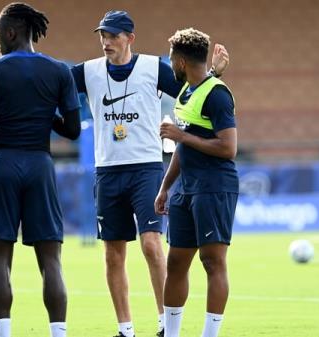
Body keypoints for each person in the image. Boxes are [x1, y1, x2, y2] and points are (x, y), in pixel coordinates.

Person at [69, 11, 228, 337]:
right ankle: (125, 329)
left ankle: (162, 323)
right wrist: (8, 63)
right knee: (113, 253)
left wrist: (214, 73)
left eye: (113, 35)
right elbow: (49, 84)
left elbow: (194, 89)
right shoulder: (88, 72)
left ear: (130, 38)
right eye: (102, 35)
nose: (106, 42)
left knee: (153, 245)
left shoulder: (153, 68)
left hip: (146, 167)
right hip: (107, 171)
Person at [0, 3, 80, 337]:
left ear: (10, 32)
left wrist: (7, 130)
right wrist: (42, 117)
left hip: (4, 162)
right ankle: (58, 334)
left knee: (0, 261)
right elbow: (74, 129)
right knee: (51, 260)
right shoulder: (59, 71)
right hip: (40, 164)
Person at [154, 28, 238, 337]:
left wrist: (181, 136)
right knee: (175, 262)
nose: (171, 64)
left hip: (214, 186)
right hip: (185, 188)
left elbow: (228, 148)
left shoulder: (218, 94)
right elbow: (185, 145)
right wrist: (165, 187)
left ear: (180, 61)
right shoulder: (186, 92)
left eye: (172, 59)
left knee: (212, 262)